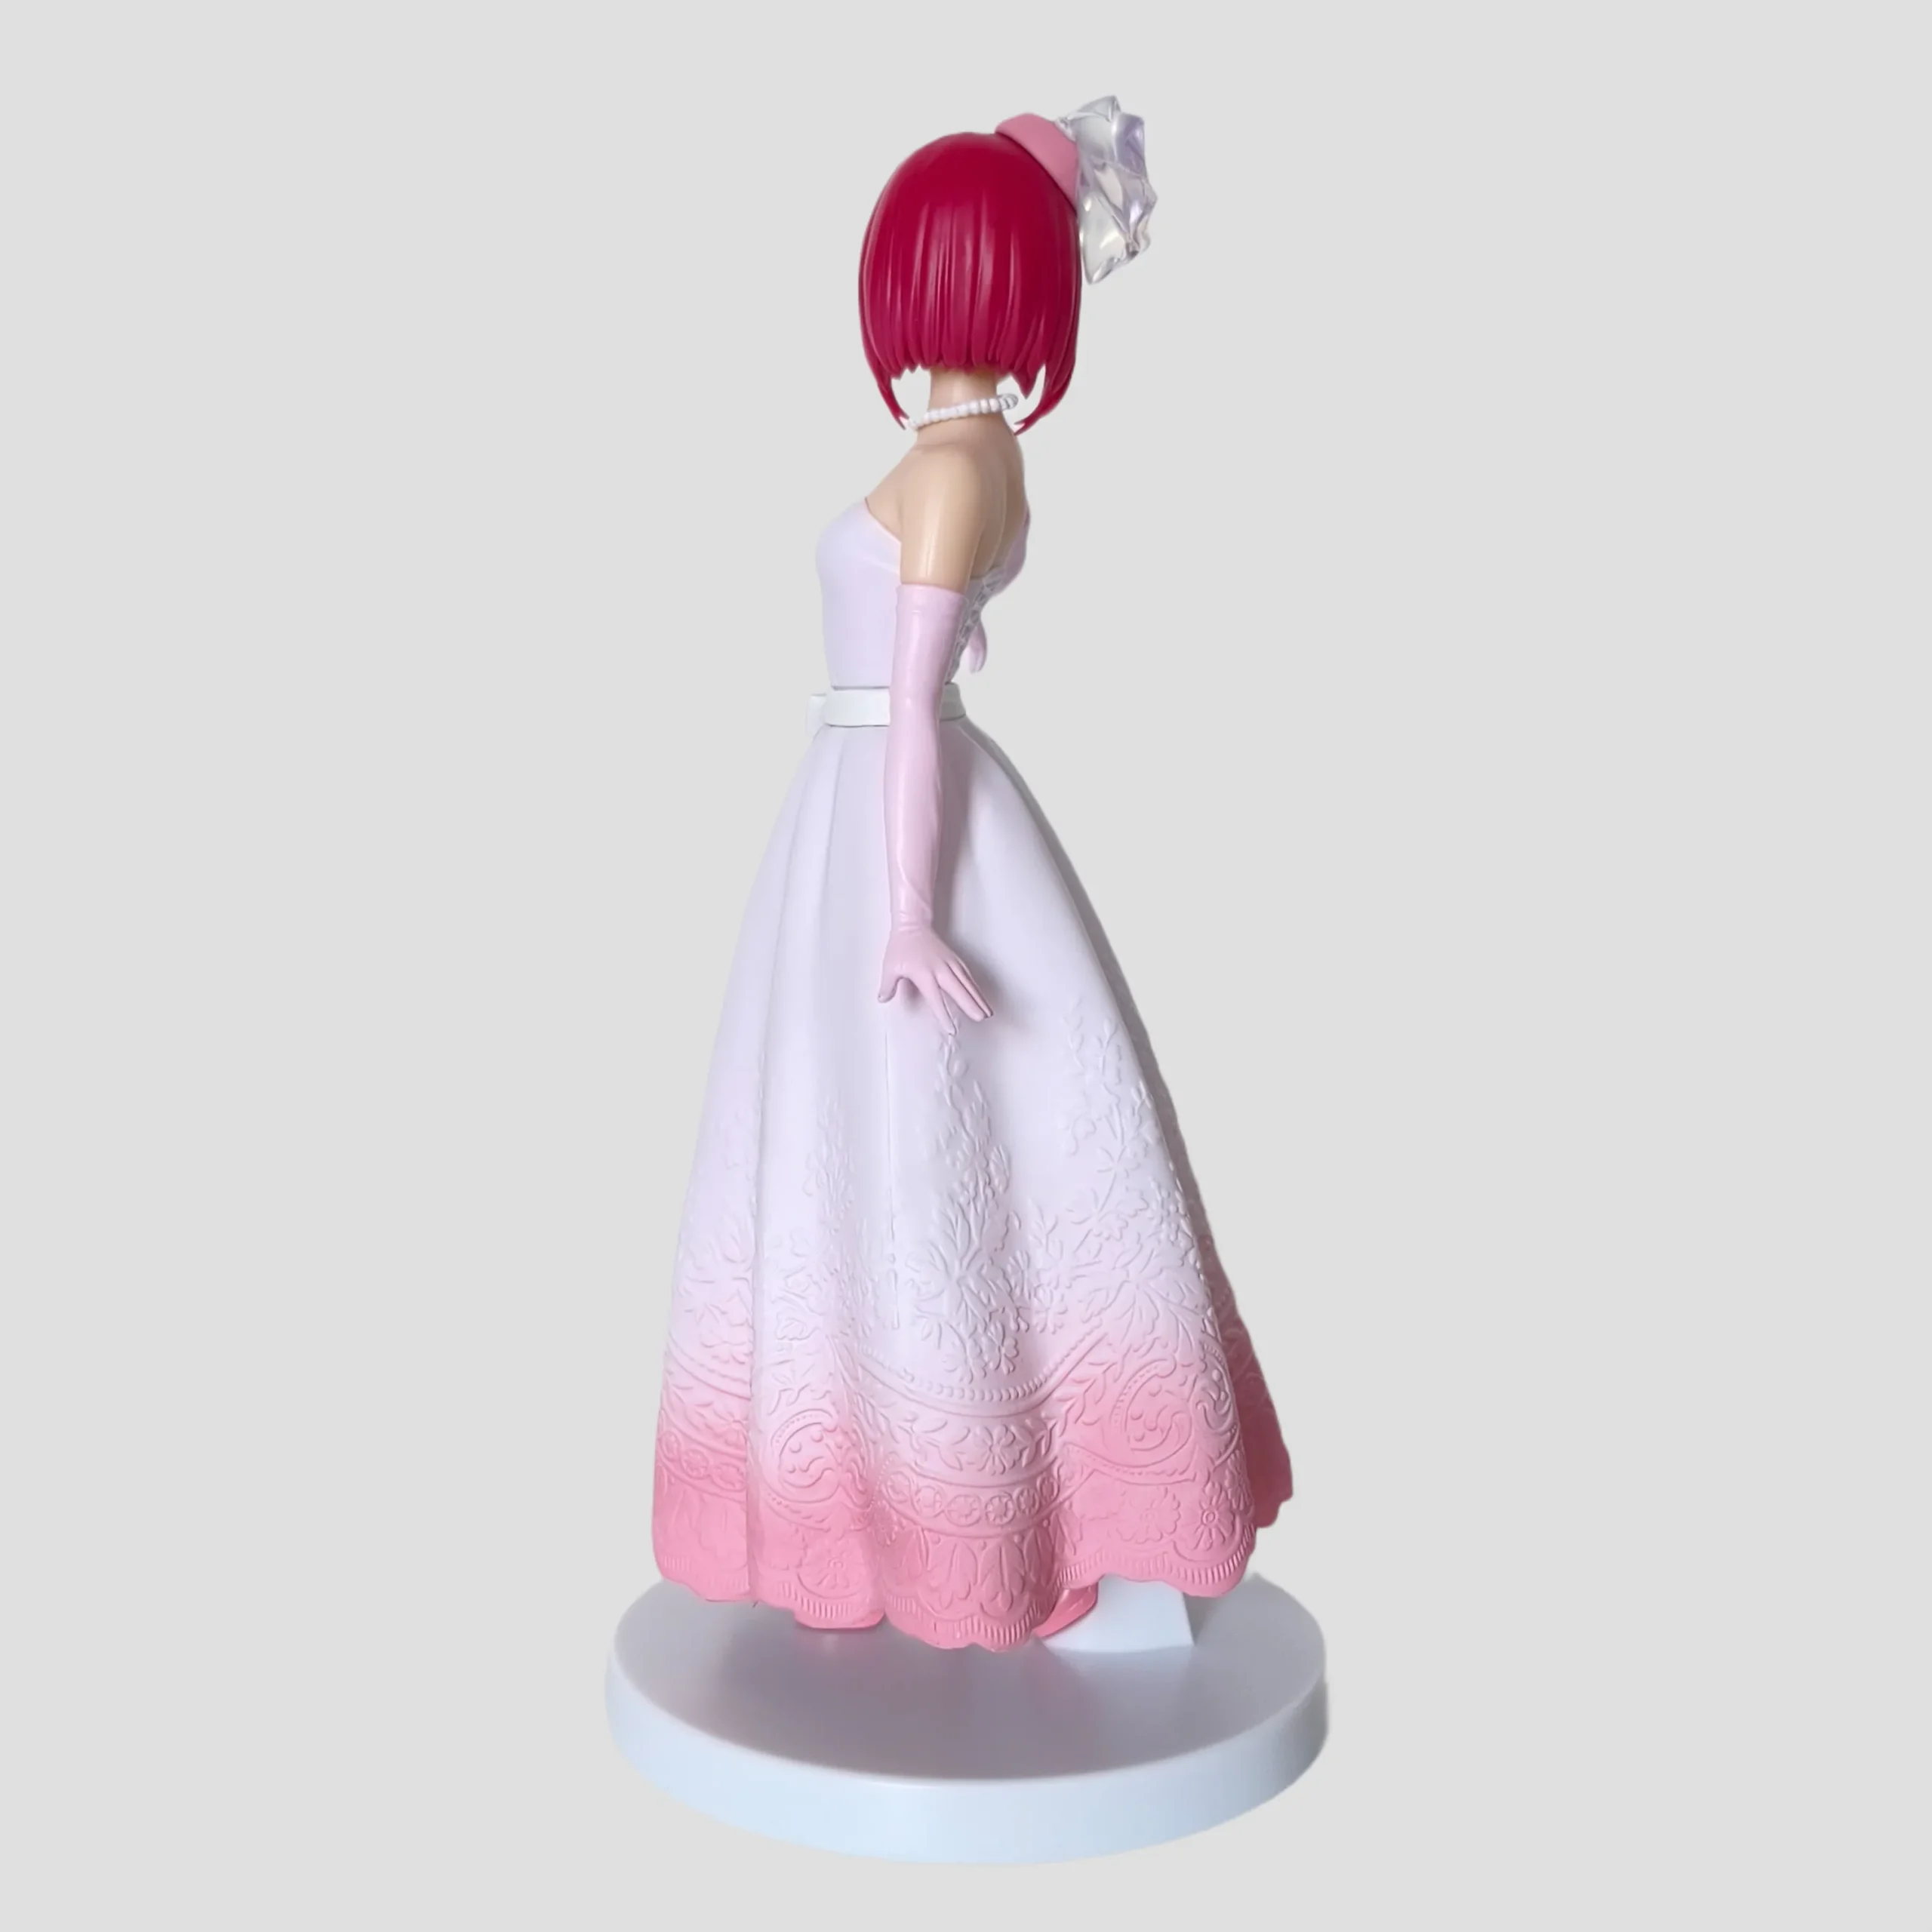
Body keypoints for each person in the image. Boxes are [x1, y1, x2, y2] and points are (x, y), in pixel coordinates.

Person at [651, 103, 1292, 1650]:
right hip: (874, 797)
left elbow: (910, 702)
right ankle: (889, 1514)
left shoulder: (950, 469)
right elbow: (937, 649)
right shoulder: (973, 459)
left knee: (919, 1159)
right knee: (878, 1161)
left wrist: (905, 910)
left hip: (890, 808)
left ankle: (981, 1526)